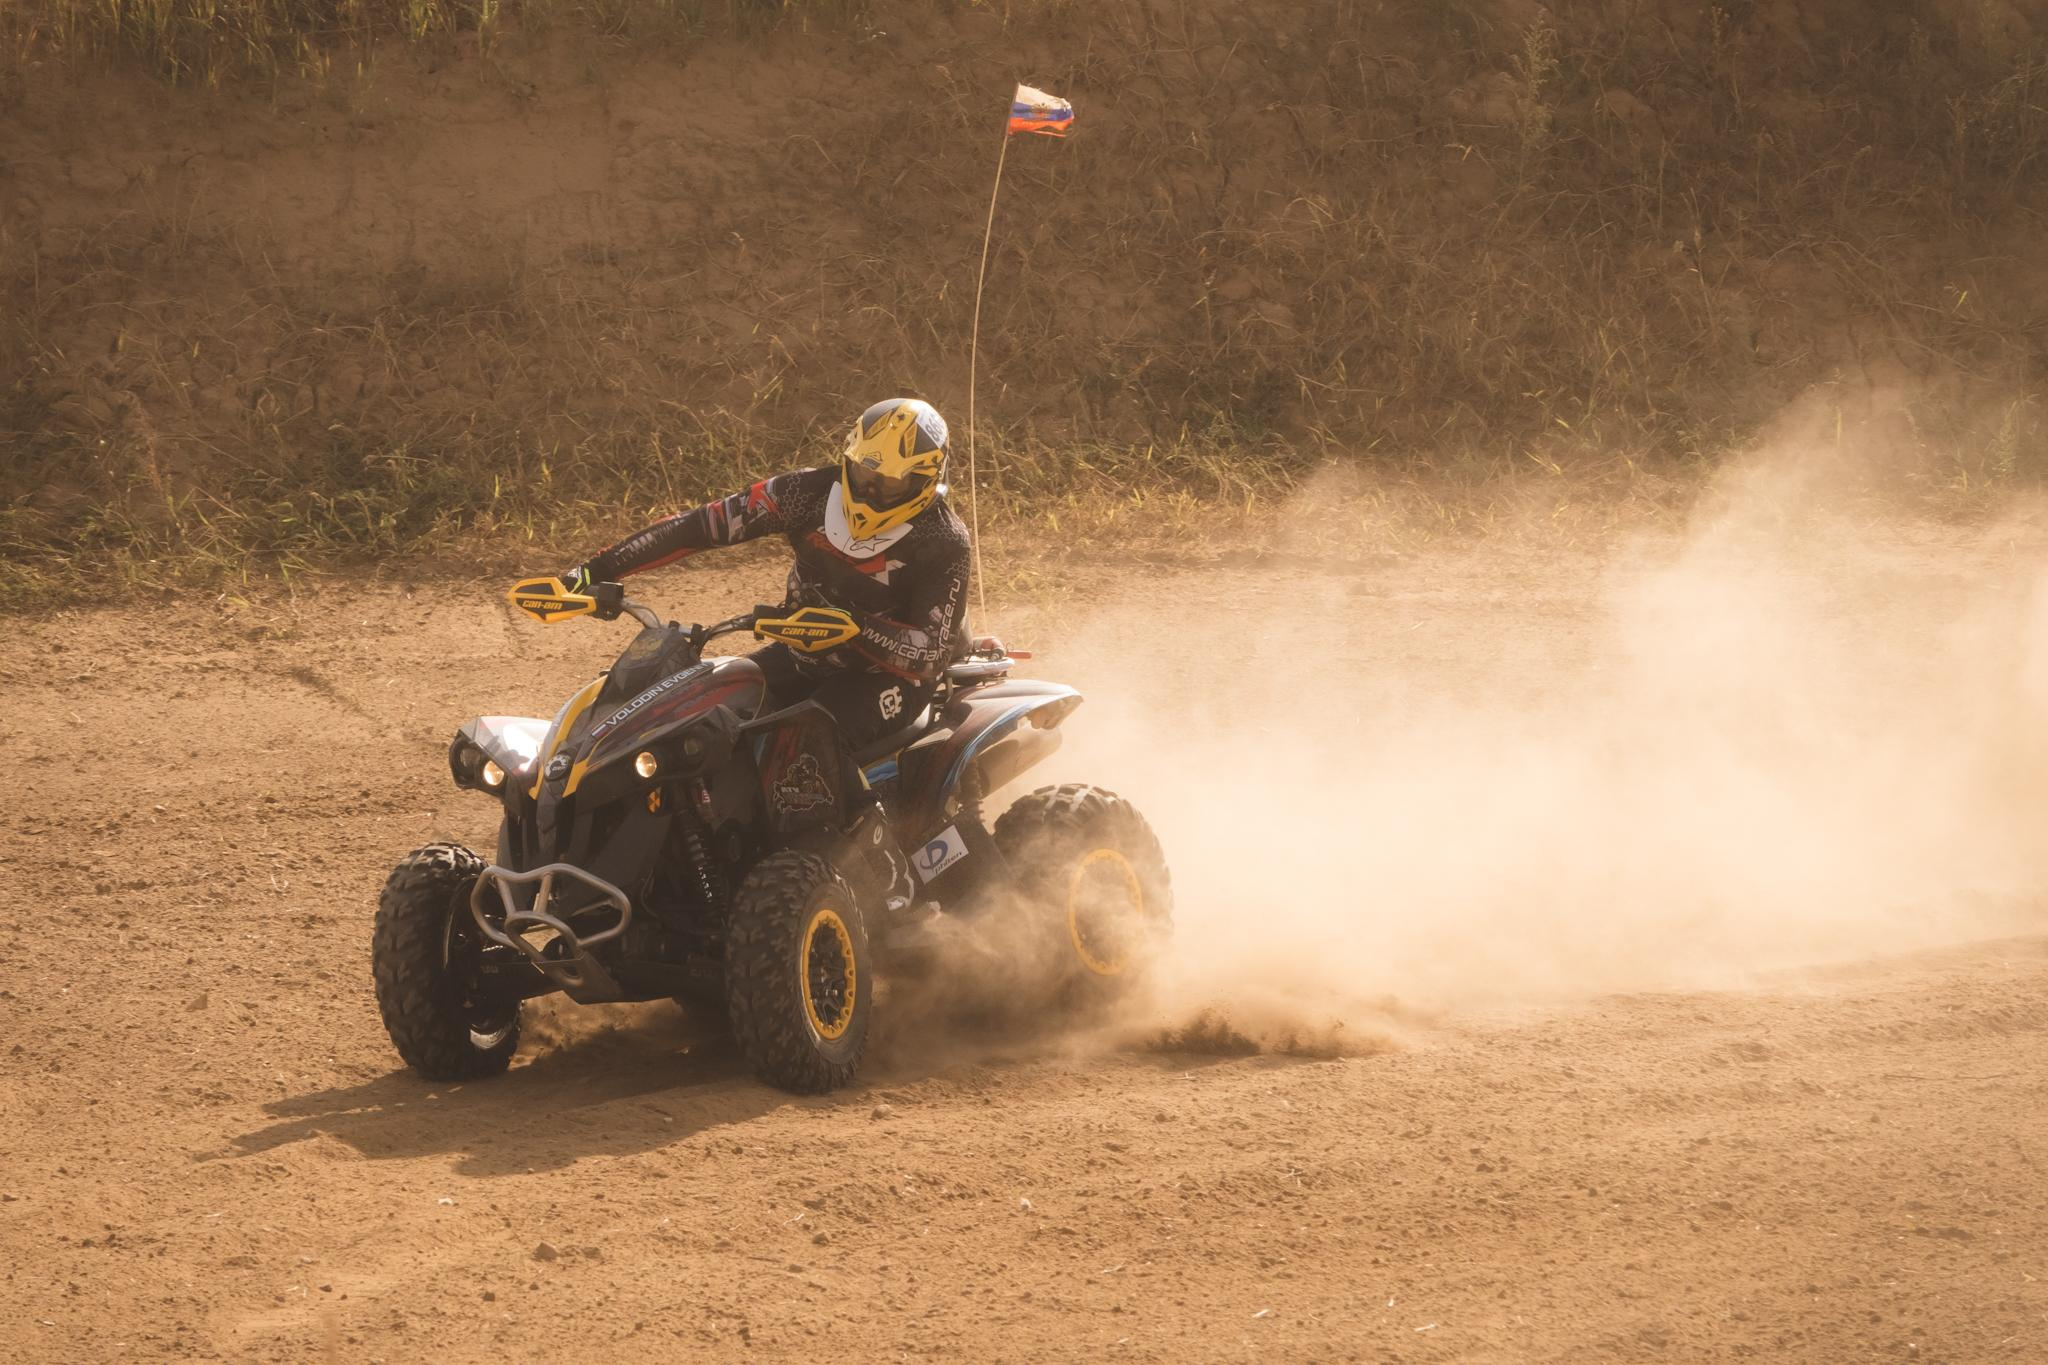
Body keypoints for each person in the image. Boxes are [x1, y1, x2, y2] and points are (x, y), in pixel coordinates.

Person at [562, 398, 969, 750]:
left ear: (926, 480)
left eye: (891, 484)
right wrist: (594, 570)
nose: (871, 493)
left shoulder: (946, 540)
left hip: (884, 679)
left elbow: (933, 651)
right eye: (864, 475)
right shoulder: (804, 493)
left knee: (806, 740)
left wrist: (855, 628)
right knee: (703, 714)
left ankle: (847, 841)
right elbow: (700, 525)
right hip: (797, 653)